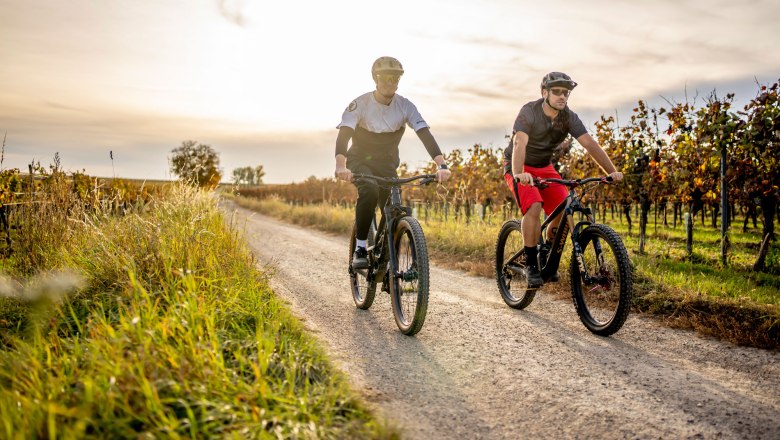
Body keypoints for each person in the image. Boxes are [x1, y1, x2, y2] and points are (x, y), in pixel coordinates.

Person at [504, 71, 624, 288]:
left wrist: (612, 171)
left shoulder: (568, 117)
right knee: (534, 206)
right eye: (557, 92)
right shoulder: (529, 112)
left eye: (566, 93)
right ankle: (531, 264)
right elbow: (519, 143)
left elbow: (590, 144)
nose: (562, 96)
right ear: (544, 93)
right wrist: (519, 173)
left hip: (544, 167)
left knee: (562, 207)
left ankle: (546, 252)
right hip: (519, 165)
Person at [335, 56, 452, 269]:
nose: (391, 82)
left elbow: (425, 134)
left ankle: (388, 254)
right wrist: (341, 166)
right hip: (360, 160)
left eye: (395, 78)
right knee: (369, 191)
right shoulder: (359, 104)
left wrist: (441, 165)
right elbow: (344, 135)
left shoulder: (405, 106)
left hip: (387, 164)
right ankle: (361, 247)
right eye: (386, 78)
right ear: (376, 79)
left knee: (392, 206)